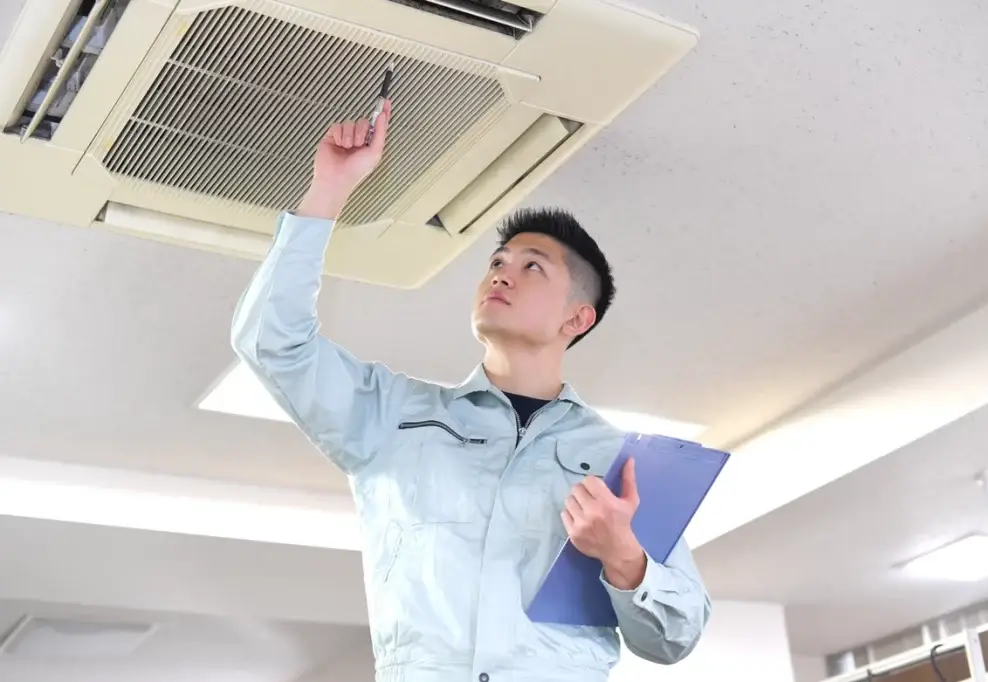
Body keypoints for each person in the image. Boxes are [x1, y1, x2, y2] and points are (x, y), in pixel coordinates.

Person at [230, 100, 711, 682]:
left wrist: (623, 556)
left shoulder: (622, 465)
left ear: (576, 319)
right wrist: (329, 189)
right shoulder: (394, 417)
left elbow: (676, 637)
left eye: (532, 267)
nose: (500, 273)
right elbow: (272, 343)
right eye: (497, 262)